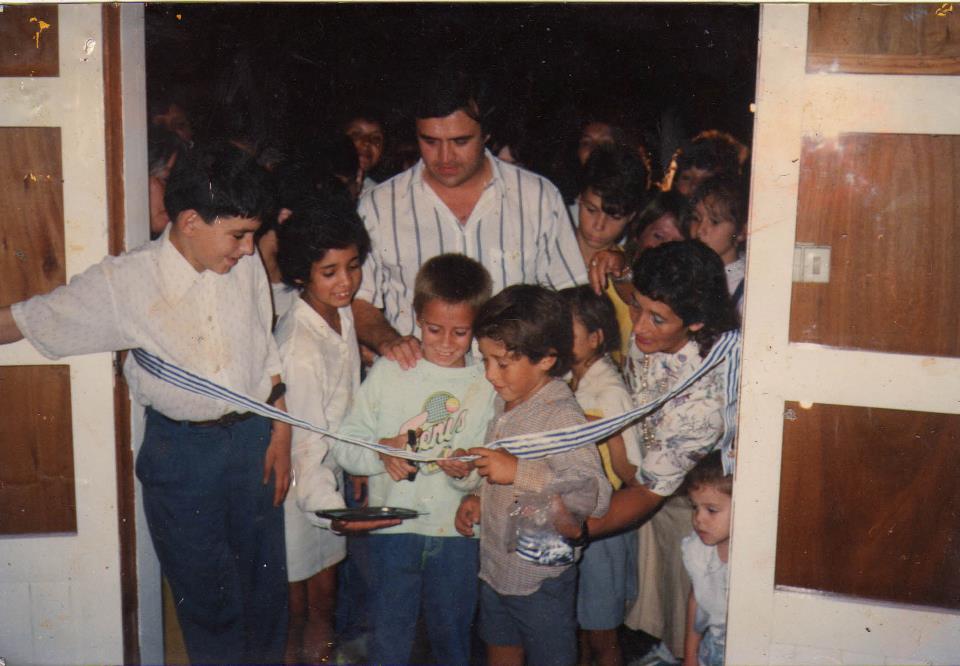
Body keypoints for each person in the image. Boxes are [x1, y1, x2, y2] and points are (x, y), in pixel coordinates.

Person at [0, 142, 291, 664]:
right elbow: (27, 319)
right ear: (190, 221)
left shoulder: (241, 266)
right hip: (183, 457)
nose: (250, 251)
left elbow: (266, 348)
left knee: (266, 597)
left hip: (255, 441)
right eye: (239, 235)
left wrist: (282, 432)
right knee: (210, 603)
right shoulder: (125, 282)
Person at [567, 240, 738, 661]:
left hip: (682, 501)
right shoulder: (658, 314)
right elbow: (631, 288)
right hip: (648, 477)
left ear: (695, 323)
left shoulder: (702, 403)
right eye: (637, 308)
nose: (638, 326)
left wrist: (576, 529)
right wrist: (621, 263)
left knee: (688, 620)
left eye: (656, 319)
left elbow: (646, 492)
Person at [352, 68, 587, 369]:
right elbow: (359, 300)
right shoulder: (379, 205)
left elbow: (569, 296)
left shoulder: (538, 198)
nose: (445, 157)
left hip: (512, 394)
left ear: (487, 134)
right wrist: (388, 340)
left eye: (461, 141)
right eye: (431, 141)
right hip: (417, 388)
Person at [330, 253, 497, 665]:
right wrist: (382, 452)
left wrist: (465, 473)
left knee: (453, 636)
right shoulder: (391, 371)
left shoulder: (485, 382)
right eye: (434, 329)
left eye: (460, 333)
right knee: (389, 635)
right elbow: (344, 445)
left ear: (477, 328)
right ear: (416, 317)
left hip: (456, 535)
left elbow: (483, 472)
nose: (444, 343)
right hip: (392, 529)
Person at [455, 284, 612, 666]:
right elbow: (501, 473)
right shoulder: (506, 400)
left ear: (546, 359)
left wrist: (517, 472)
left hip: (541, 580)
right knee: (500, 650)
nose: (490, 374)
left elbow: (594, 494)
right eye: (485, 360)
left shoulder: (560, 415)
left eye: (502, 363)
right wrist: (473, 486)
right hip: (495, 570)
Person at [273, 196, 372, 663]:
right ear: (300, 273)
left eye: (352, 267)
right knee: (293, 611)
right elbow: (303, 445)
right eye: (329, 272)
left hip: (327, 474)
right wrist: (337, 513)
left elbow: (349, 401)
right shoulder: (299, 344)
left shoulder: (343, 312)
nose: (346, 282)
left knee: (325, 602)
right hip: (295, 488)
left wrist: (355, 461)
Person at [560, 286, 641, 666]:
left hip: (604, 518)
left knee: (601, 629)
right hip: (576, 511)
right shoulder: (570, 379)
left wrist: (606, 435)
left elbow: (632, 472)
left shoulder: (609, 390)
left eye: (567, 331)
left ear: (595, 337)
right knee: (577, 621)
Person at [572, 144, 650, 365]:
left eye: (614, 216)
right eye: (591, 209)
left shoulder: (628, 273)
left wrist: (622, 270)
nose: (599, 225)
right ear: (579, 198)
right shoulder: (547, 250)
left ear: (631, 216)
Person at [682, 451, 731, 666]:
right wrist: (690, 656)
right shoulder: (699, 549)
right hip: (713, 647)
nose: (698, 519)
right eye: (695, 507)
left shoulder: (753, 558)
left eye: (711, 510)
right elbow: (697, 598)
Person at [686, 177, 748, 315]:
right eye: (697, 218)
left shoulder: (745, 289)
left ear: (741, 233)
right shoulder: (687, 267)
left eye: (714, 221)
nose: (700, 230)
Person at [341, 109, 387, 197]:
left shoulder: (379, 196)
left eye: (376, 138)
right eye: (356, 135)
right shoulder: (318, 183)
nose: (367, 142)